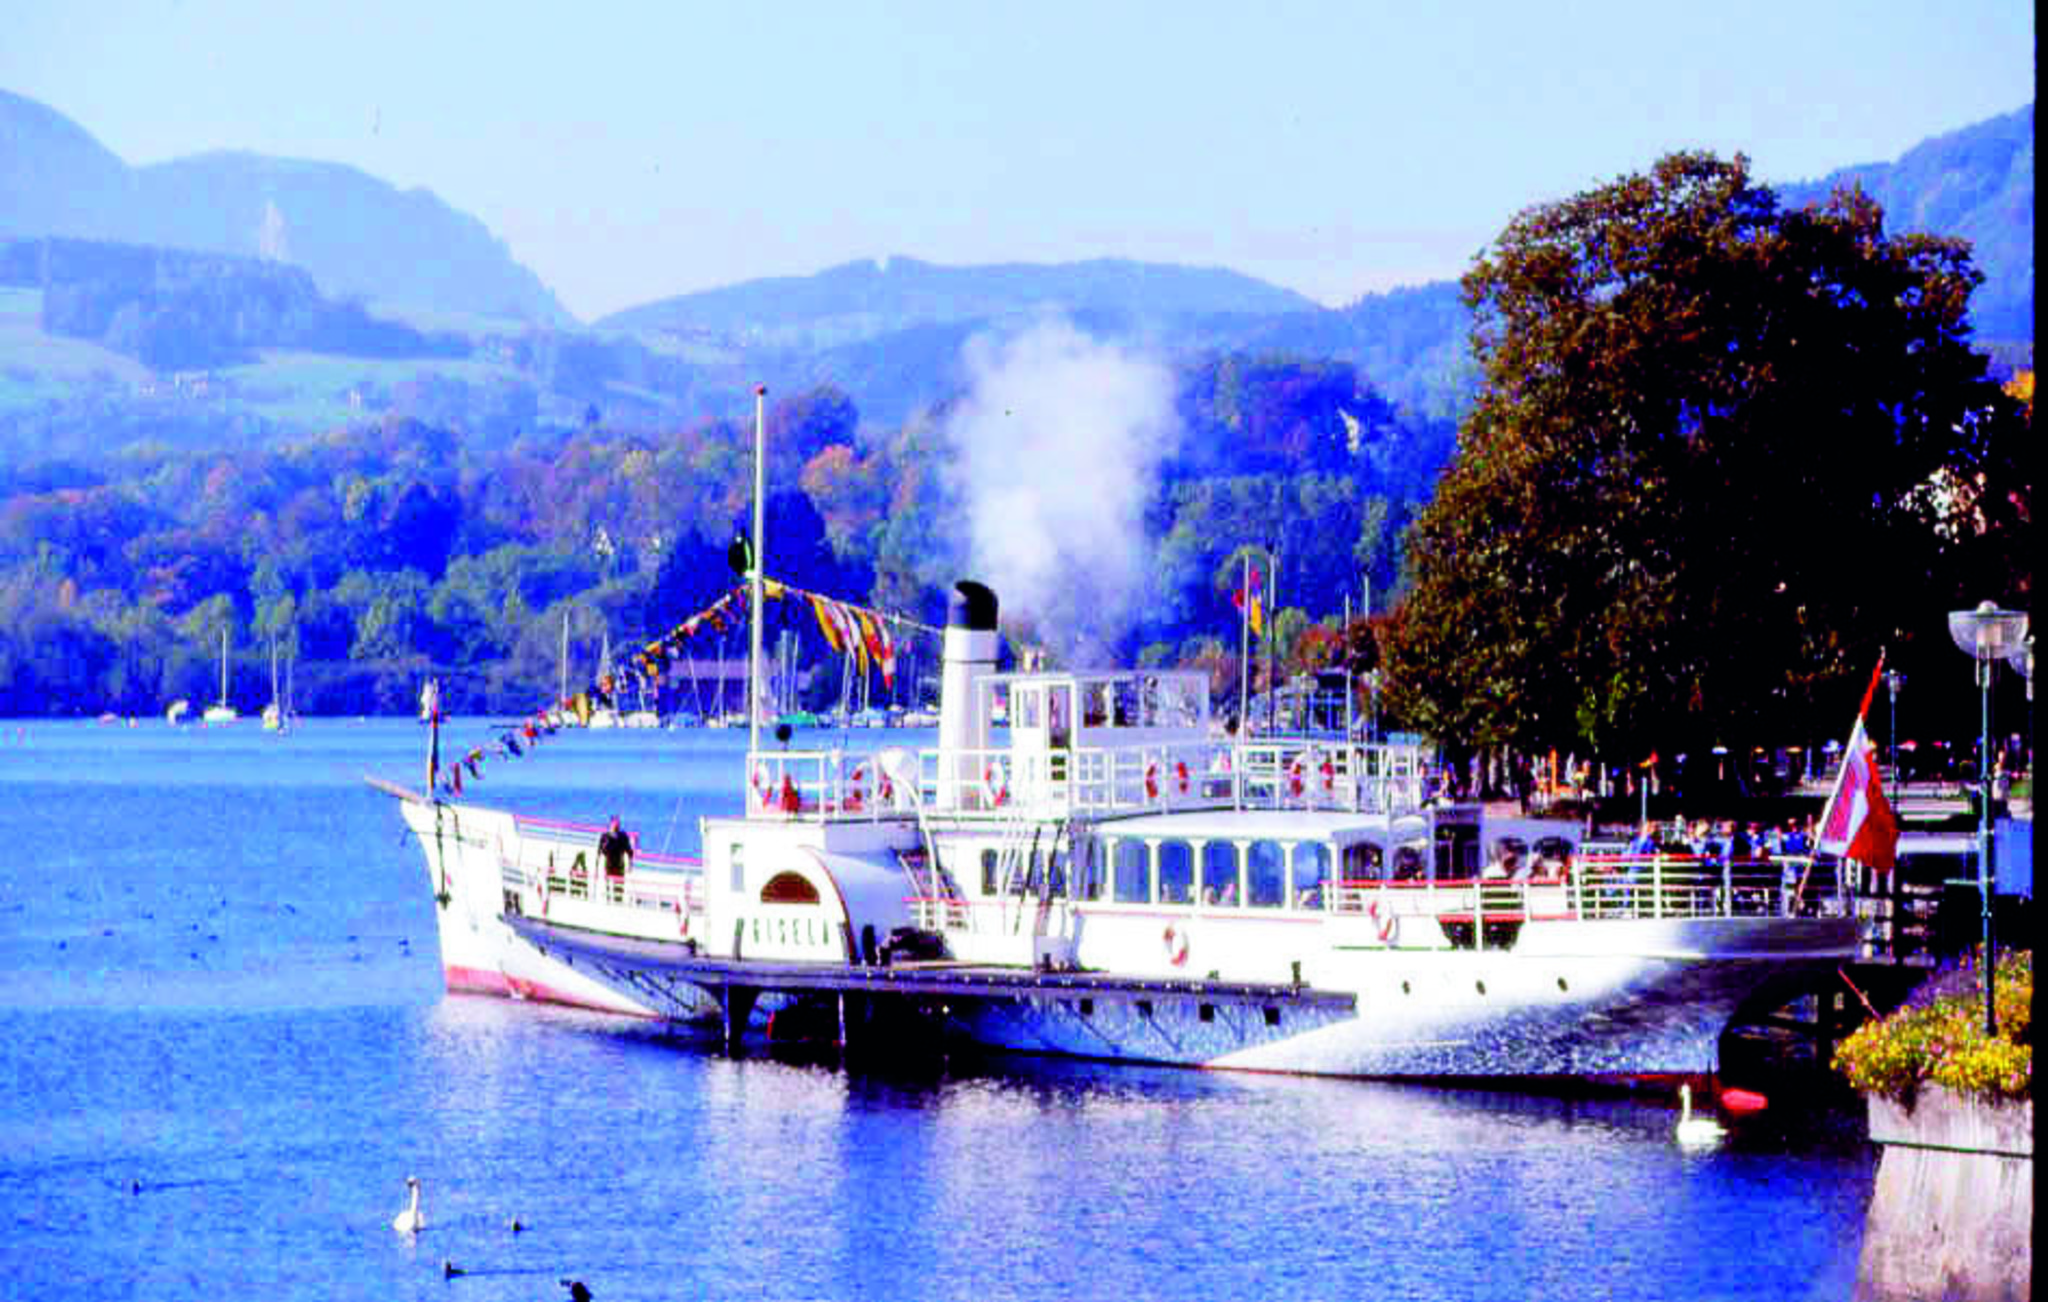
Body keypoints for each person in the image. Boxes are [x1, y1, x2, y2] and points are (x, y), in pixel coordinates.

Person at [598, 814, 633, 897]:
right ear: (611, 824)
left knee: (619, 889)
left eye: (618, 824)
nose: (617, 825)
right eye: (615, 823)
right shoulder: (605, 836)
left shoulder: (623, 836)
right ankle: (608, 899)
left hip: (619, 866)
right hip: (609, 865)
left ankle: (618, 900)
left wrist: (630, 865)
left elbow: (629, 851)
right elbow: (601, 851)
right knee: (608, 888)